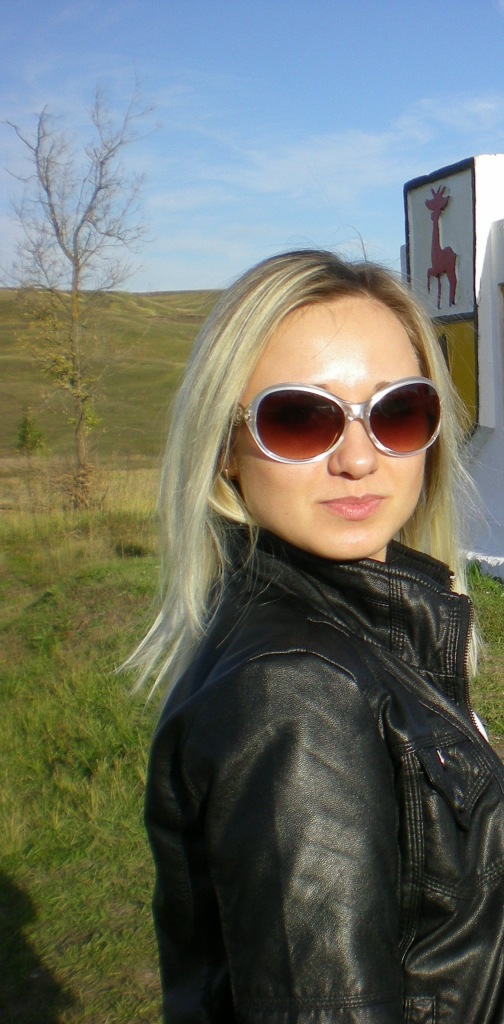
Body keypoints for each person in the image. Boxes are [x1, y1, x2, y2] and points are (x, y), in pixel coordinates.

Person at [133, 250, 504, 1023]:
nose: (360, 459)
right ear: (226, 447)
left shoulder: (351, 629)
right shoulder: (295, 693)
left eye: (398, 411)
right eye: (299, 419)